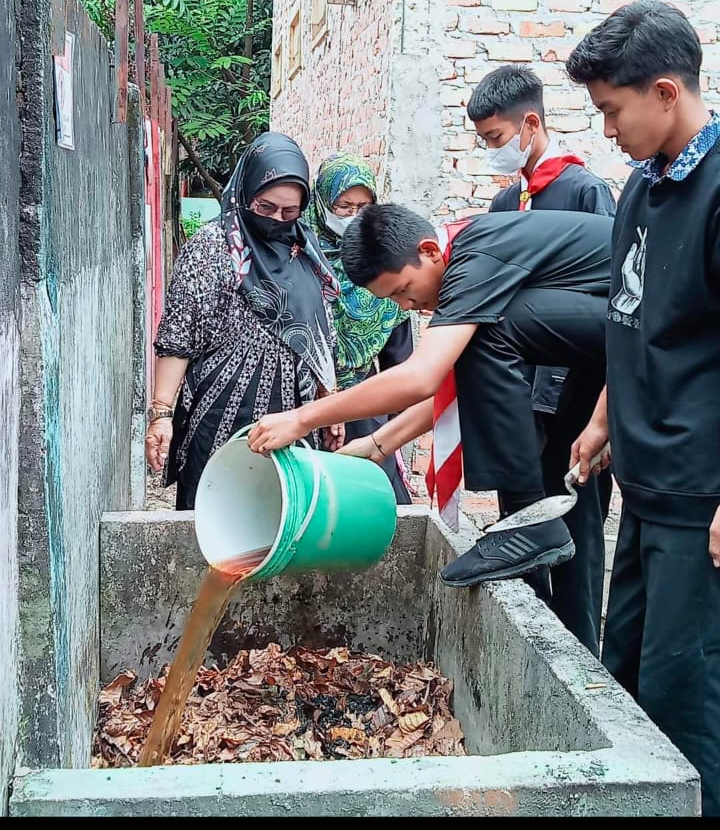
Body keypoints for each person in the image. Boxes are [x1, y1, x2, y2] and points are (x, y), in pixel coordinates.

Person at [247, 203, 613, 590]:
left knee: (488, 331)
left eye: (404, 289)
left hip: (654, 329)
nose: (407, 306)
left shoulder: (473, 260)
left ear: (429, 251)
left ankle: (528, 518)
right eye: (393, 300)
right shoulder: (470, 251)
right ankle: (534, 539)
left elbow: (422, 377)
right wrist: (377, 444)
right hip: (606, 350)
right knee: (559, 504)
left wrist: (302, 418)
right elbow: (454, 379)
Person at [566, 0, 720, 817]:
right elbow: (631, 321)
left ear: (665, 92)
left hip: (702, 496)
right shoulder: (641, 189)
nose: (606, 129)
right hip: (645, 483)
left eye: (611, 110)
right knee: (622, 671)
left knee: (686, 695)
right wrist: (600, 418)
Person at [466, 63, 617, 653]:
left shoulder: (584, 191)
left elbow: (608, 309)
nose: (492, 153)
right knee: (521, 523)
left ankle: (582, 659)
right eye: (483, 143)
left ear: (530, 123)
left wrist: (604, 418)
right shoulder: (507, 203)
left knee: (575, 533)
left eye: (497, 140)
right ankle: (530, 648)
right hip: (516, 398)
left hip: (575, 398)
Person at [145, 132, 344, 509]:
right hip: (222, 409)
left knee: (285, 518)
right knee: (216, 515)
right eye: (265, 207)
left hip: (295, 414)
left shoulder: (306, 252)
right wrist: (161, 415)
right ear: (245, 190)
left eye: (289, 212)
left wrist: (329, 402)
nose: (276, 220)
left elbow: (321, 334)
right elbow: (177, 336)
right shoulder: (213, 246)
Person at [305, 151, 414, 503]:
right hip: (304, 405)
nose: (354, 217)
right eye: (344, 206)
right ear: (322, 205)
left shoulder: (383, 264)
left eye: (364, 207)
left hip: (365, 406)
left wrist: (397, 425)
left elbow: (402, 359)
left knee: (377, 503)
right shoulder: (300, 260)